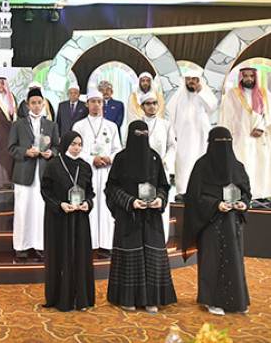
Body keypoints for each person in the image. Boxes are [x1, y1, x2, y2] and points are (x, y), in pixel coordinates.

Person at [105, 121, 177, 313]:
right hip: (129, 217)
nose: (141, 138)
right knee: (130, 255)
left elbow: (163, 185)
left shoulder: (154, 157)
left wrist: (160, 199)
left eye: (144, 134)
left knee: (152, 256)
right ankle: (127, 298)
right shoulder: (121, 158)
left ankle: (152, 299)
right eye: (138, 134)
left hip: (151, 216)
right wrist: (130, 202)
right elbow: (111, 187)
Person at [182, 127, 251, 316]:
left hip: (232, 222)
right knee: (212, 261)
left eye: (227, 142)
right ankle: (211, 300)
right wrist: (215, 204)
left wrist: (243, 204)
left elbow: (246, 192)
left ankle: (236, 300)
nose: (223, 148)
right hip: (210, 222)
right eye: (219, 143)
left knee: (234, 260)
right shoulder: (202, 166)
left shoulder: (237, 166)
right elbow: (194, 197)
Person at [41, 131, 94, 311]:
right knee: (61, 255)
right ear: (65, 144)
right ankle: (60, 298)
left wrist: (88, 203)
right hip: (59, 218)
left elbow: (90, 192)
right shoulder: (53, 165)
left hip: (79, 217)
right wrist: (60, 204)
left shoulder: (85, 166)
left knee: (80, 255)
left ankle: (81, 298)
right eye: (73, 144)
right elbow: (46, 191)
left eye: (79, 144)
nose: (77, 148)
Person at [8, 87, 59, 261]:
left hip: (43, 174)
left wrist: (51, 153)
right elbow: (11, 148)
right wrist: (25, 152)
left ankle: (40, 245)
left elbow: (57, 147)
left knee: (41, 211)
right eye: (33, 103)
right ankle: (21, 246)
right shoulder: (18, 124)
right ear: (27, 105)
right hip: (24, 173)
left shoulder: (51, 125)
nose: (36, 106)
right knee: (22, 210)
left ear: (43, 104)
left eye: (39, 102)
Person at [72, 90, 122, 255]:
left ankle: (106, 244)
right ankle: (89, 243)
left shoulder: (111, 126)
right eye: (93, 101)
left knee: (106, 207)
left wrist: (109, 158)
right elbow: (75, 149)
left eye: (99, 102)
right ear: (87, 104)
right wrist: (92, 159)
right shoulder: (79, 126)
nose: (96, 105)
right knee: (89, 205)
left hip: (106, 171)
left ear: (103, 104)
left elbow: (117, 149)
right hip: (87, 171)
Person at [220, 67, 270, 201]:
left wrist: (261, 128)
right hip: (240, 138)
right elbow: (226, 116)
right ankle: (243, 195)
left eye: (251, 76)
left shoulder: (264, 93)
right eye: (246, 76)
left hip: (259, 138)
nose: (249, 79)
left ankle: (259, 196)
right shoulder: (232, 94)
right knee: (243, 165)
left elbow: (268, 113)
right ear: (241, 77)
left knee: (260, 166)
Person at [167, 69, 218, 200]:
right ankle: (183, 191)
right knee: (183, 164)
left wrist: (200, 92)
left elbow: (212, 108)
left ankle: (202, 190)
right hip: (183, 138)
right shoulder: (179, 95)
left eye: (194, 79)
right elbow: (171, 114)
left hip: (201, 137)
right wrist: (173, 134)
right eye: (188, 79)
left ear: (199, 80)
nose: (191, 82)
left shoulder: (204, 93)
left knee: (201, 162)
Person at [140, 92, 176, 242]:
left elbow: (172, 146)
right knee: (143, 202)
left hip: (161, 168)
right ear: (142, 106)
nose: (152, 106)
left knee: (160, 201)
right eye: (148, 104)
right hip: (141, 169)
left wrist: (165, 161)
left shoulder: (165, 124)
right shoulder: (136, 124)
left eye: (154, 103)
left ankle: (161, 239)